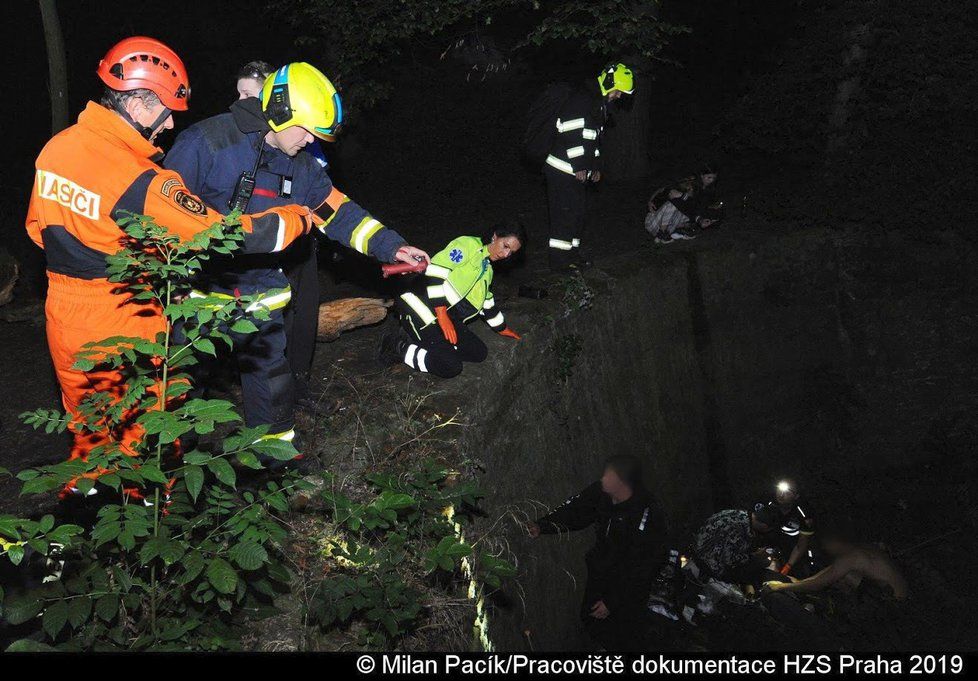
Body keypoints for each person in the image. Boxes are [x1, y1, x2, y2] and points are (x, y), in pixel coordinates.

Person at [24, 37, 314, 492]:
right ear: (140, 103)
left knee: (91, 437)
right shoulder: (136, 177)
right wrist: (292, 220)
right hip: (122, 315)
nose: (172, 121)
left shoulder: (56, 149)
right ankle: (146, 546)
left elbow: (37, 228)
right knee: (148, 445)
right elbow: (218, 234)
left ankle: (79, 539)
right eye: (169, 108)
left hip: (62, 312)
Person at [164, 62, 429, 452]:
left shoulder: (302, 168)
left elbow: (338, 213)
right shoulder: (206, 143)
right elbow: (160, 214)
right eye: (306, 129)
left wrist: (390, 246)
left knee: (273, 387)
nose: (309, 141)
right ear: (280, 110)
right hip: (198, 299)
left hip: (260, 298)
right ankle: (168, 475)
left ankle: (274, 468)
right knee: (180, 388)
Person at [527, 455, 667, 651]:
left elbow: (641, 567)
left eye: (609, 476)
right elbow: (576, 510)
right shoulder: (602, 493)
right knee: (591, 617)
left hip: (628, 581)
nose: (603, 479)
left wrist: (612, 602)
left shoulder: (646, 515)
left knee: (624, 626)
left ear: (622, 483)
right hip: (602, 568)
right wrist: (543, 526)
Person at [382, 226, 524, 378]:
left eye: (511, 252)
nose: (506, 254)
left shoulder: (487, 269)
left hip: (446, 314)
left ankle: (429, 341)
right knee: (450, 366)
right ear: (495, 236)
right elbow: (434, 273)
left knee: (479, 353)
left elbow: (485, 301)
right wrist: (442, 315)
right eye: (506, 246)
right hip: (420, 307)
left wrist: (502, 328)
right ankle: (398, 346)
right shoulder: (468, 245)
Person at [544, 63, 634, 271]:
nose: (619, 96)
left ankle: (572, 256)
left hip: (575, 172)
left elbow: (591, 139)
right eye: (618, 91)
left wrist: (595, 168)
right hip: (562, 170)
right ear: (609, 83)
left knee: (577, 214)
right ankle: (559, 263)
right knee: (564, 216)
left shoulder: (597, 103)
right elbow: (571, 132)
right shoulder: (582, 99)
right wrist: (580, 166)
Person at [765, 532, 908, 600]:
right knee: (842, 575)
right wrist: (796, 581)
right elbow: (825, 573)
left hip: (893, 603)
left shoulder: (852, 557)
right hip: (892, 593)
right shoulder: (864, 548)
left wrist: (780, 587)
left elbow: (818, 583)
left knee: (843, 577)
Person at [690, 506, 782, 587]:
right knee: (758, 568)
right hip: (707, 561)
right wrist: (754, 556)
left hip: (700, 548)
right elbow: (730, 560)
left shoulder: (739, 514)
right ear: (765, 526)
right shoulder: (740, 528)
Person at [750, 479, 817, 577]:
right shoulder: (768, 502)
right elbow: (751, 521)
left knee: (799, 573)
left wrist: (788, 566)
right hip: (769, 541)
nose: (781, 495)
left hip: (792, 546)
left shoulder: (803, 513)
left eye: (787, 492)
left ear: (796, 496)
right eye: (780, 490)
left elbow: (801, 545)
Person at [645, 166, 722, 244]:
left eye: (713, 178)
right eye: (709, 177)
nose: (711, 180)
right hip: (654, 222)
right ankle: (662, 233)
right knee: (675, 202)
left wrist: (702, 220)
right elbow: (663, 189)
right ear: (702, 175)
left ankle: (676, 231)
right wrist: (650, 201)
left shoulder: (707, 192)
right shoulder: (689, 183)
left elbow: (696, 208)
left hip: (671, 226)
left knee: (689, 210)